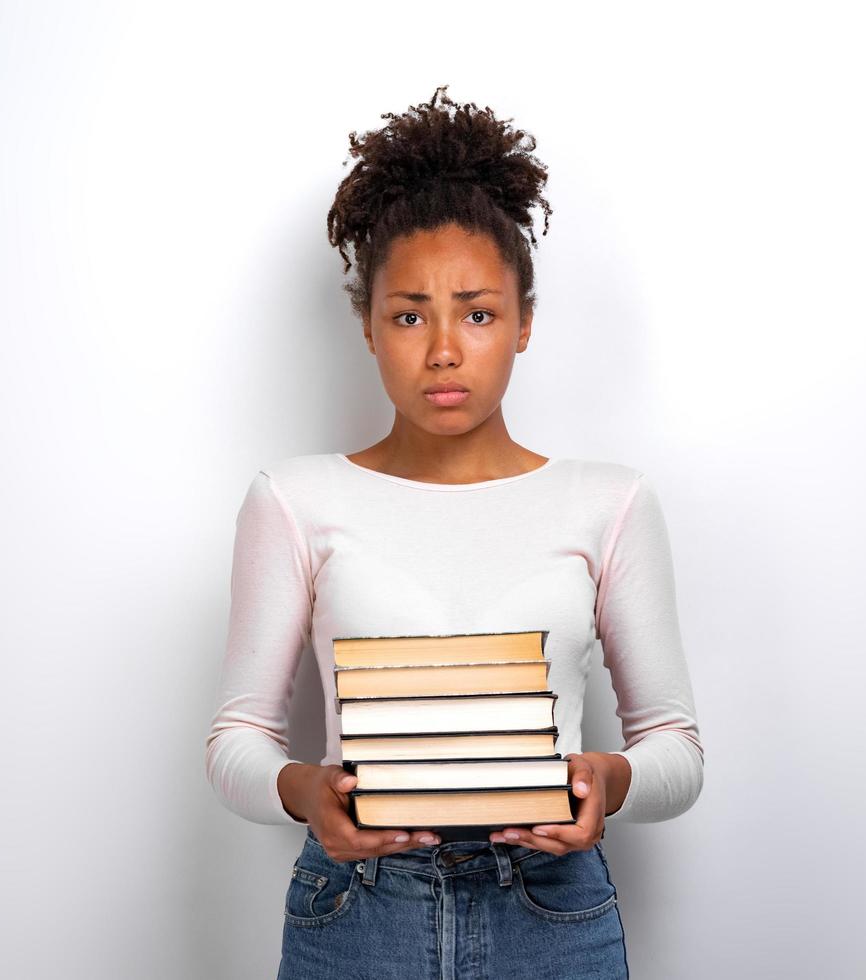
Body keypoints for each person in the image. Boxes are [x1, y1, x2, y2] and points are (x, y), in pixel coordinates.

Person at [204, 85, 704, 980]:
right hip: (357, 908)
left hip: (550, 904)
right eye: (408, 314)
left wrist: (606, 781)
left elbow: (675, 746)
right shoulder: (292, 498)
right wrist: (305, 791)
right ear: (367, 326)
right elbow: (236, 739)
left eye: (476, 312)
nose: (443, 348)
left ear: (522, 324)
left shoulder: (611, 501)